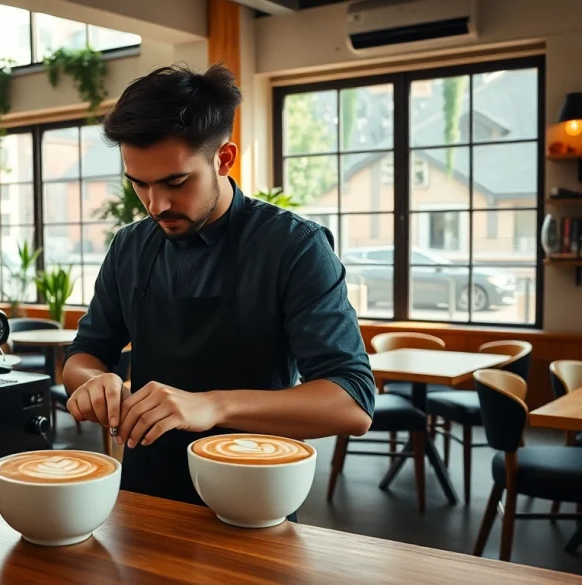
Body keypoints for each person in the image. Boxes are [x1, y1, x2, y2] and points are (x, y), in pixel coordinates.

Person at [63, 64, 376, 506]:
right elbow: (83, 355)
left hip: (253, 492)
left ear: (224, 159)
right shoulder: (129, 246)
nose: (156, 205)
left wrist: (213, 406)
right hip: (143, 498)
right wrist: (94, 381)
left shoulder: (294, 246)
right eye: (140, 185)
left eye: (176, 182)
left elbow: (352, 402)